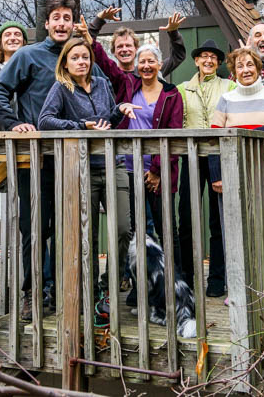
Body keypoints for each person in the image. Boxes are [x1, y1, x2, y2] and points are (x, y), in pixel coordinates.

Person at [0, 0, 80, 313]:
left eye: (67, 18)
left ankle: (62, 289)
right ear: (47, 24)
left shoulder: (81, 57)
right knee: (35, 226)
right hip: (35, 158)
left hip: (72, 157)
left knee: (69, 225)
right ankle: (34, 291)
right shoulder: (29, 55)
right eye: (56, 18)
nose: (61, 23)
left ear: (73, 24)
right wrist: (15, 123)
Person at [36, 28, 133, 321]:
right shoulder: (61, 88)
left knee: (122, 229)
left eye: (85, 57)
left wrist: (120, 109)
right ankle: (91, 297)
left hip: (112, 165)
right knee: (86, 236)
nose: (81, 62)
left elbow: (107, 118)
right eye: (75, 57)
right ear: (65, 62)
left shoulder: (102, 85)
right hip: (83, 170)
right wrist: (81, 126)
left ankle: (107, 287)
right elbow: (45, 121)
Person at [88, 28, 184, 242]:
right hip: (128, 168)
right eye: (142, 62)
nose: (146, 66)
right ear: (137, 66)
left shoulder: (171, 94)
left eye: (151, 62)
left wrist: (157, 171)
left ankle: (175, 275)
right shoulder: (128, 85)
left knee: (166, 228)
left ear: (160, 65)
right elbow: (107, 65)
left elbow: (173, 135)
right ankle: (136, 274)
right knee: (133, 229)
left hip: (159, 173)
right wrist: (91, 36)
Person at [176, 37, 234, 297]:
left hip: (219, 156)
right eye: (204, 56)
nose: (208, 60)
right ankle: (186, 278)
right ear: (196, 61)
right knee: (187, 216)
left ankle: (217, 279)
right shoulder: (181, 89)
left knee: (218, 220)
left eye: (214, 57)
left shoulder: (229, 86)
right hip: (190, 155)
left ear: (219, 62)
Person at [207, 49, 264, 207]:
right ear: (234, 71)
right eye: (240, 66)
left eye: (250, 65)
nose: (245, 70)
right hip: (232, 170)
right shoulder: (226, 99)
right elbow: (213, 139)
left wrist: (249, 135)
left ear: (258, 68)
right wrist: (216, 175)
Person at [90, 7, 187, 78]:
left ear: (136, 49)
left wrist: (173, 32)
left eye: (128, 45)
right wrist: (99, 19)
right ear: (113, 52)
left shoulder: (149, 70)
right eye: (119, 46)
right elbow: (87, 46)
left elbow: (178, 56)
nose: (124, 49)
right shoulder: (108, 72)